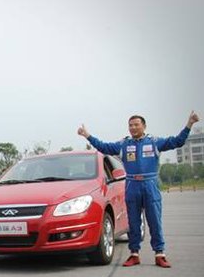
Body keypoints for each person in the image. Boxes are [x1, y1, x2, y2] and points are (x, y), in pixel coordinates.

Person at [77, 111, 200, 268]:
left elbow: (178, 141)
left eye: (136, 125)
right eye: (130, 125)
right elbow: (103, 147)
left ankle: (160, 254)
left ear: (144, 126)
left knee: (154, 221)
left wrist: (190, 123)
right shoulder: (124, 144)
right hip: (132, 185)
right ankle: (134, 254)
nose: (133, 128)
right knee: (133, 222)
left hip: (150, 185)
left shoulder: (154, 142)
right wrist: (87, 135)